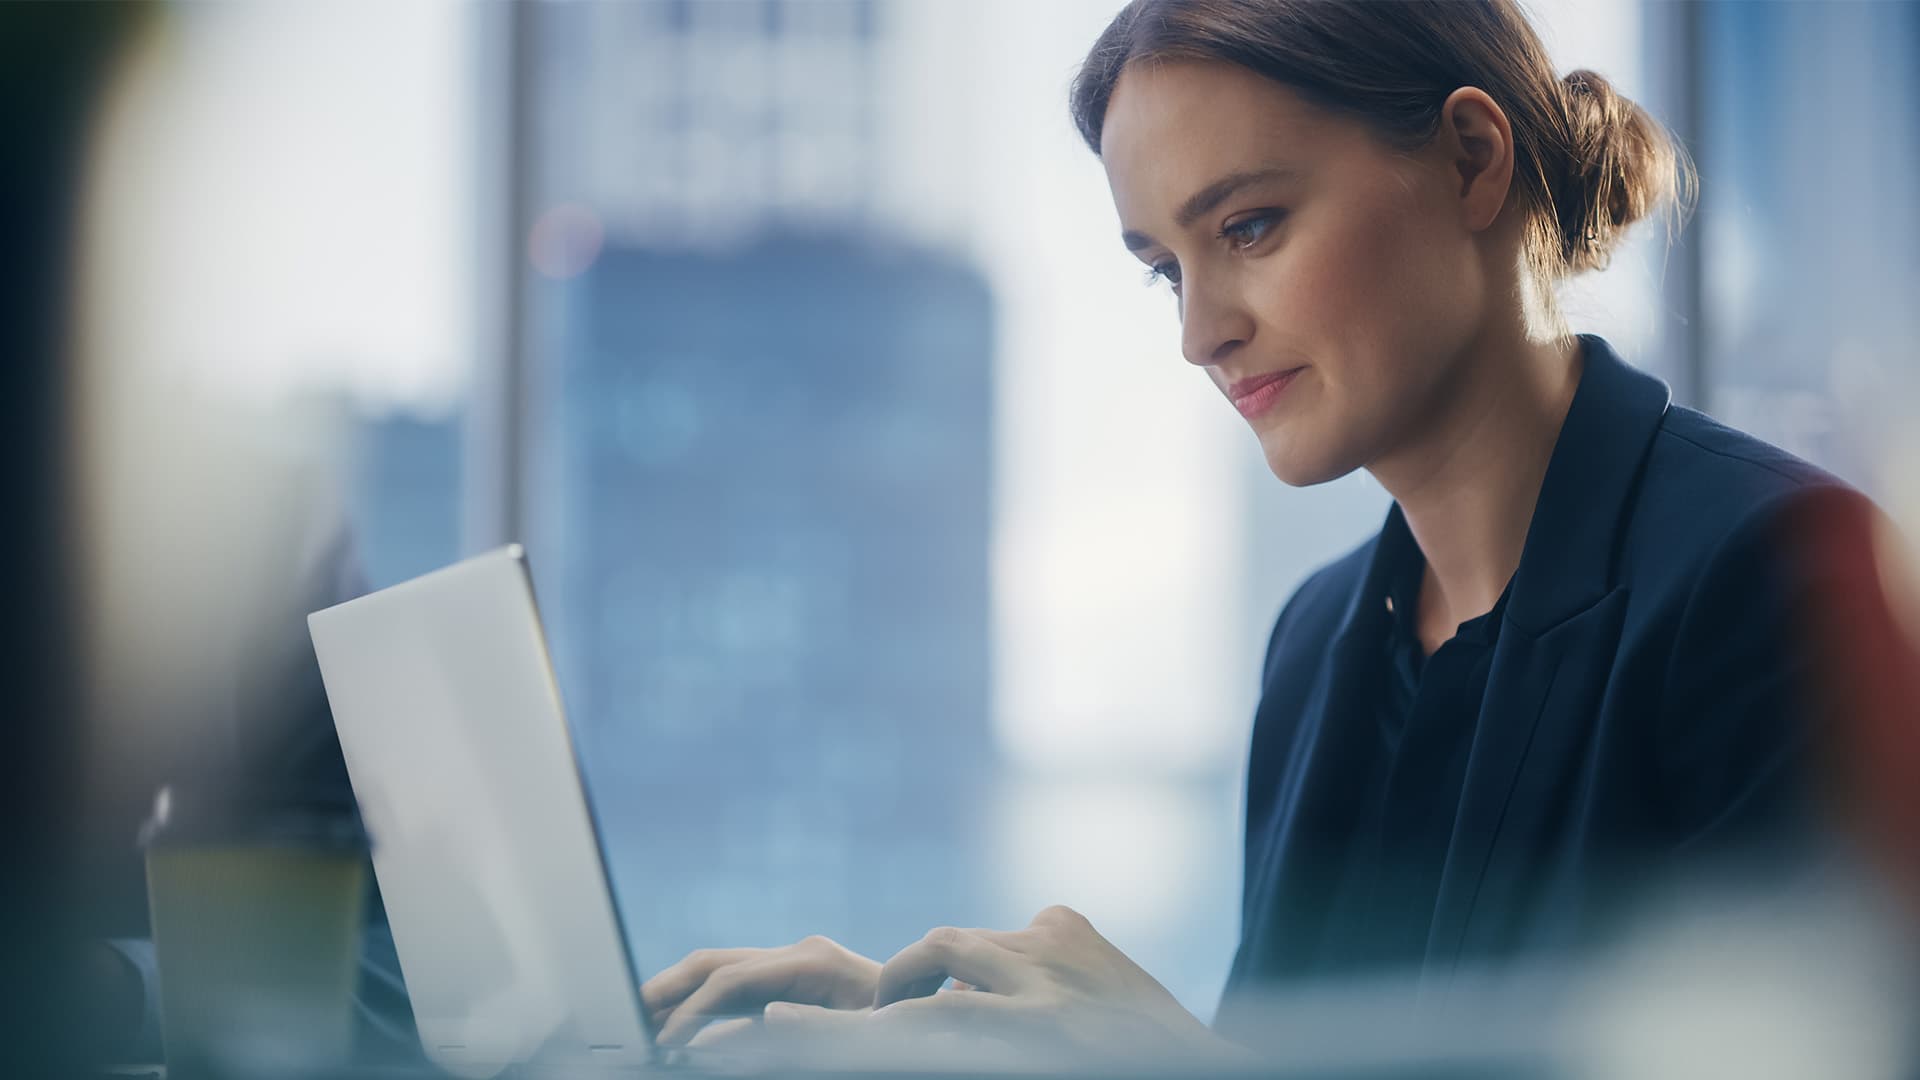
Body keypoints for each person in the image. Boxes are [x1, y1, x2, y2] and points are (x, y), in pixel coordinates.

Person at [642, 0, 1870, 1062]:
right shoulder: (1322, 641)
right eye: (1167, 268)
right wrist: (933, 1028)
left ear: (1470, 158)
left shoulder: (1780, 580)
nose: (1201, 333)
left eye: (1248, 228)